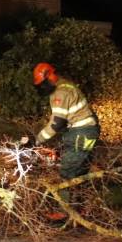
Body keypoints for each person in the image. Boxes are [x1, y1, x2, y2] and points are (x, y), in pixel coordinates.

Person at [25, 62, 100, 217]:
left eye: (42, 83)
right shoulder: (66, 85)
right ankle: (81, 209)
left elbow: (57, 123)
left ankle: (63, 212)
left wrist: (36, 140)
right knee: (80, 172)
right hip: (84, 130)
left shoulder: (60, 92)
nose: (42, 87)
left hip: (82, 132)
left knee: (67, 170)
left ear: (48, 76)